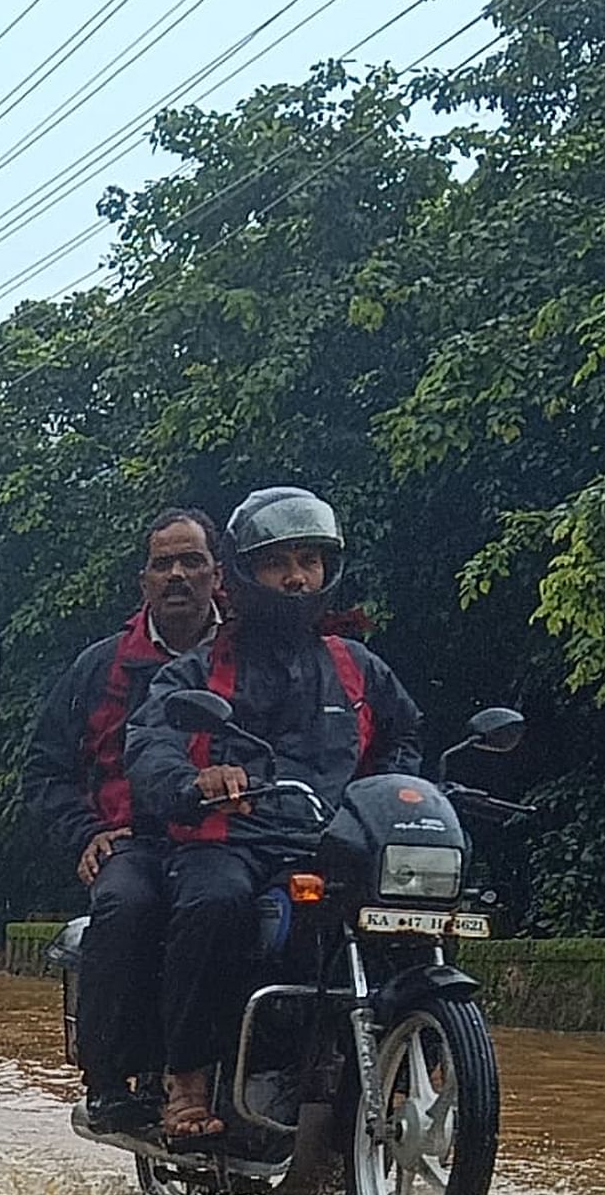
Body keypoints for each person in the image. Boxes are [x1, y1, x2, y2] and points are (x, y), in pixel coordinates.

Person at [125, 487, 424, 1143]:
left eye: (309, 561)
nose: (296, 576)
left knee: (412, 912)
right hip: (230, 838)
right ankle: (189, 1079)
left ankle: (393, 1062)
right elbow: (150, 742)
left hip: (332, 840)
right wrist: (193, 779)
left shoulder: (357, 666)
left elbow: (403, 737)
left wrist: (395, 790)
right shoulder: (201, 669)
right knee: (216, 903)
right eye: (277, 562)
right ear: (244, 574)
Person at [14, 506, 223, 1129]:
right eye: (164, 564)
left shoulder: (258, 657)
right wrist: (86, 834)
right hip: (134, 841)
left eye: (193, 561)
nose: (178, 576)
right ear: (144, 581)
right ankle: (108, 1078)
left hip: (237, 835)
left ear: (219, 575)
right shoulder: (100, 668)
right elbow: (43, 772)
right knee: (127, 905)